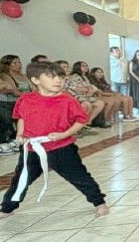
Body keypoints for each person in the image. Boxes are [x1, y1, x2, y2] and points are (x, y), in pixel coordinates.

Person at [0, 62, 109, 219]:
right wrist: (20, 135)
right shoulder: (26, 99)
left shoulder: (67, 100)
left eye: (61, 77)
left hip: (61, 148)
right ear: (36, 80)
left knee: (79, 176)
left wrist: (64, 134)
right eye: (51, 77)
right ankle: (7, 208)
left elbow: (80, 121)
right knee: (21, 178)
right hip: (33, 149)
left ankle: (99, 202)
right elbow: (21, 117)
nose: (58, 80)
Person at [65, 62, 106, 127]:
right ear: (78, 67)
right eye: (83, 66)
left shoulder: (85, 77)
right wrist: (86, 89)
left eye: (86, 66)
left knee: (100, 103)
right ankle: (81, 124)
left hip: (87, 96)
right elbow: (73, 88)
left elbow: (89, 86)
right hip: (78, 95)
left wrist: (91, 89)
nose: (86, 67)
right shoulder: (74, 76)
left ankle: (88, 121)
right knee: (87, 105)